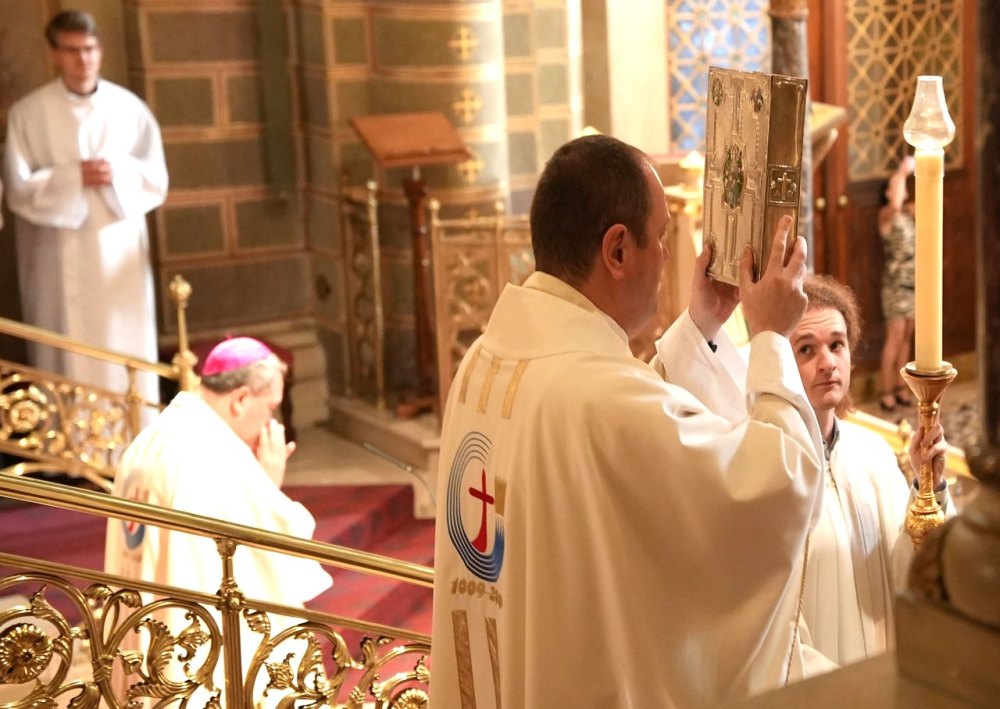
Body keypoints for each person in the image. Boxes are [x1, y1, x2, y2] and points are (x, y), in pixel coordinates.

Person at [430, 135, 826, 709]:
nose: (666, 256)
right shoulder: (597, 399)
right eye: (661, 236)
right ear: (617, 250)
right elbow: (778, 486)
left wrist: (700, 329)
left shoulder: (487, 362)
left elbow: (626, 432)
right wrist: (770, 338)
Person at [104, 337, 332, 704]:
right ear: (241, 399)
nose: (270, 423)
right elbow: (275, 548)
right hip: (191, 649)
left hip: (144, 631)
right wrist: (269, 482)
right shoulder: (214, 455)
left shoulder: (150, 439)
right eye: (269, 408)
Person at [4, 10, 168, 403]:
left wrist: (117, 173)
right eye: (72, 50)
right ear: (54, 54)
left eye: (90, 49)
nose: (83, 59)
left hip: (117, 252)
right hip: (57, 253)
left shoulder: (129, 108)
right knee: (67, 344)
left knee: (124, 344)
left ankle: (133, 429)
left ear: (101, 51)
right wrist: (71, 178)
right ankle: (69, 440)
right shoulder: (30, 113)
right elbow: (18, 188)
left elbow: (155, 179)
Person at [789, 275, 950, 672]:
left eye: (836, 344)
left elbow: (906, 568)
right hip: (817, 688)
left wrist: (928, 489)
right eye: (806, 349)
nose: (828, 362)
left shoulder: (873, 453)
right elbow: (772, 626)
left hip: (883, 676)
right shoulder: (772, 467)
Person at [877, 157, 916, 412]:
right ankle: (886, 390)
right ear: (889, 193)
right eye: (895, 186)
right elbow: (895, 203)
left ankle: (902, 386)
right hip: (895, 284)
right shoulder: (886, 215)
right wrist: (902, 171)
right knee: (895, 335)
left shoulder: (909, 213)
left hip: (913, 284)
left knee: (907, 335)